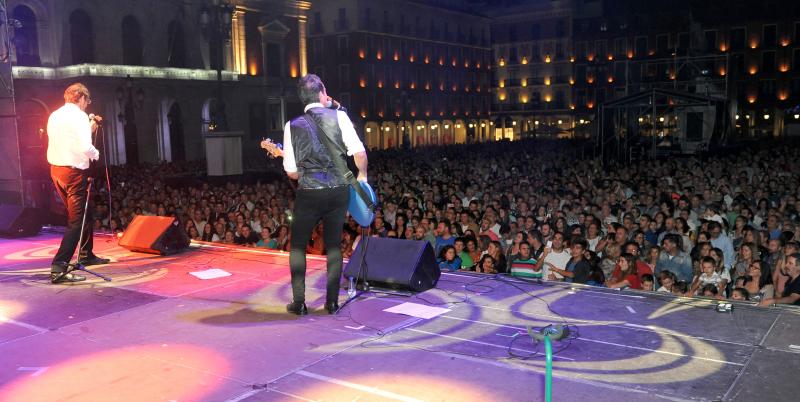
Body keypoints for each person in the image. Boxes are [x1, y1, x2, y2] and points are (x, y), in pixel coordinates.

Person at [282, 74, 368, 315]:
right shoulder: (340, 116)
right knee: (333, 246)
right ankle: (332, 302)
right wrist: (362, 176)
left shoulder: (292, 125)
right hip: (338, 190)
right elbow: (359, 153)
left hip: (309, 192)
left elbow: (291, 173)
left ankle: (299, 303)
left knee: (298, 246)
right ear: (322, 93)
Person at [47, 83, 109, 284]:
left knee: (84, 213)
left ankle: (86, 254)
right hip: (73, 174)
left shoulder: (55, 115)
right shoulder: (80, 116)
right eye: (87, 100)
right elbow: (84, 146)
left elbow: (71, 140)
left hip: (57, 171)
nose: (87, 105)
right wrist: (96, 153)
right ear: (81, 97)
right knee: (76, 220)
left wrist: (88, 128)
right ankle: (59, 267)